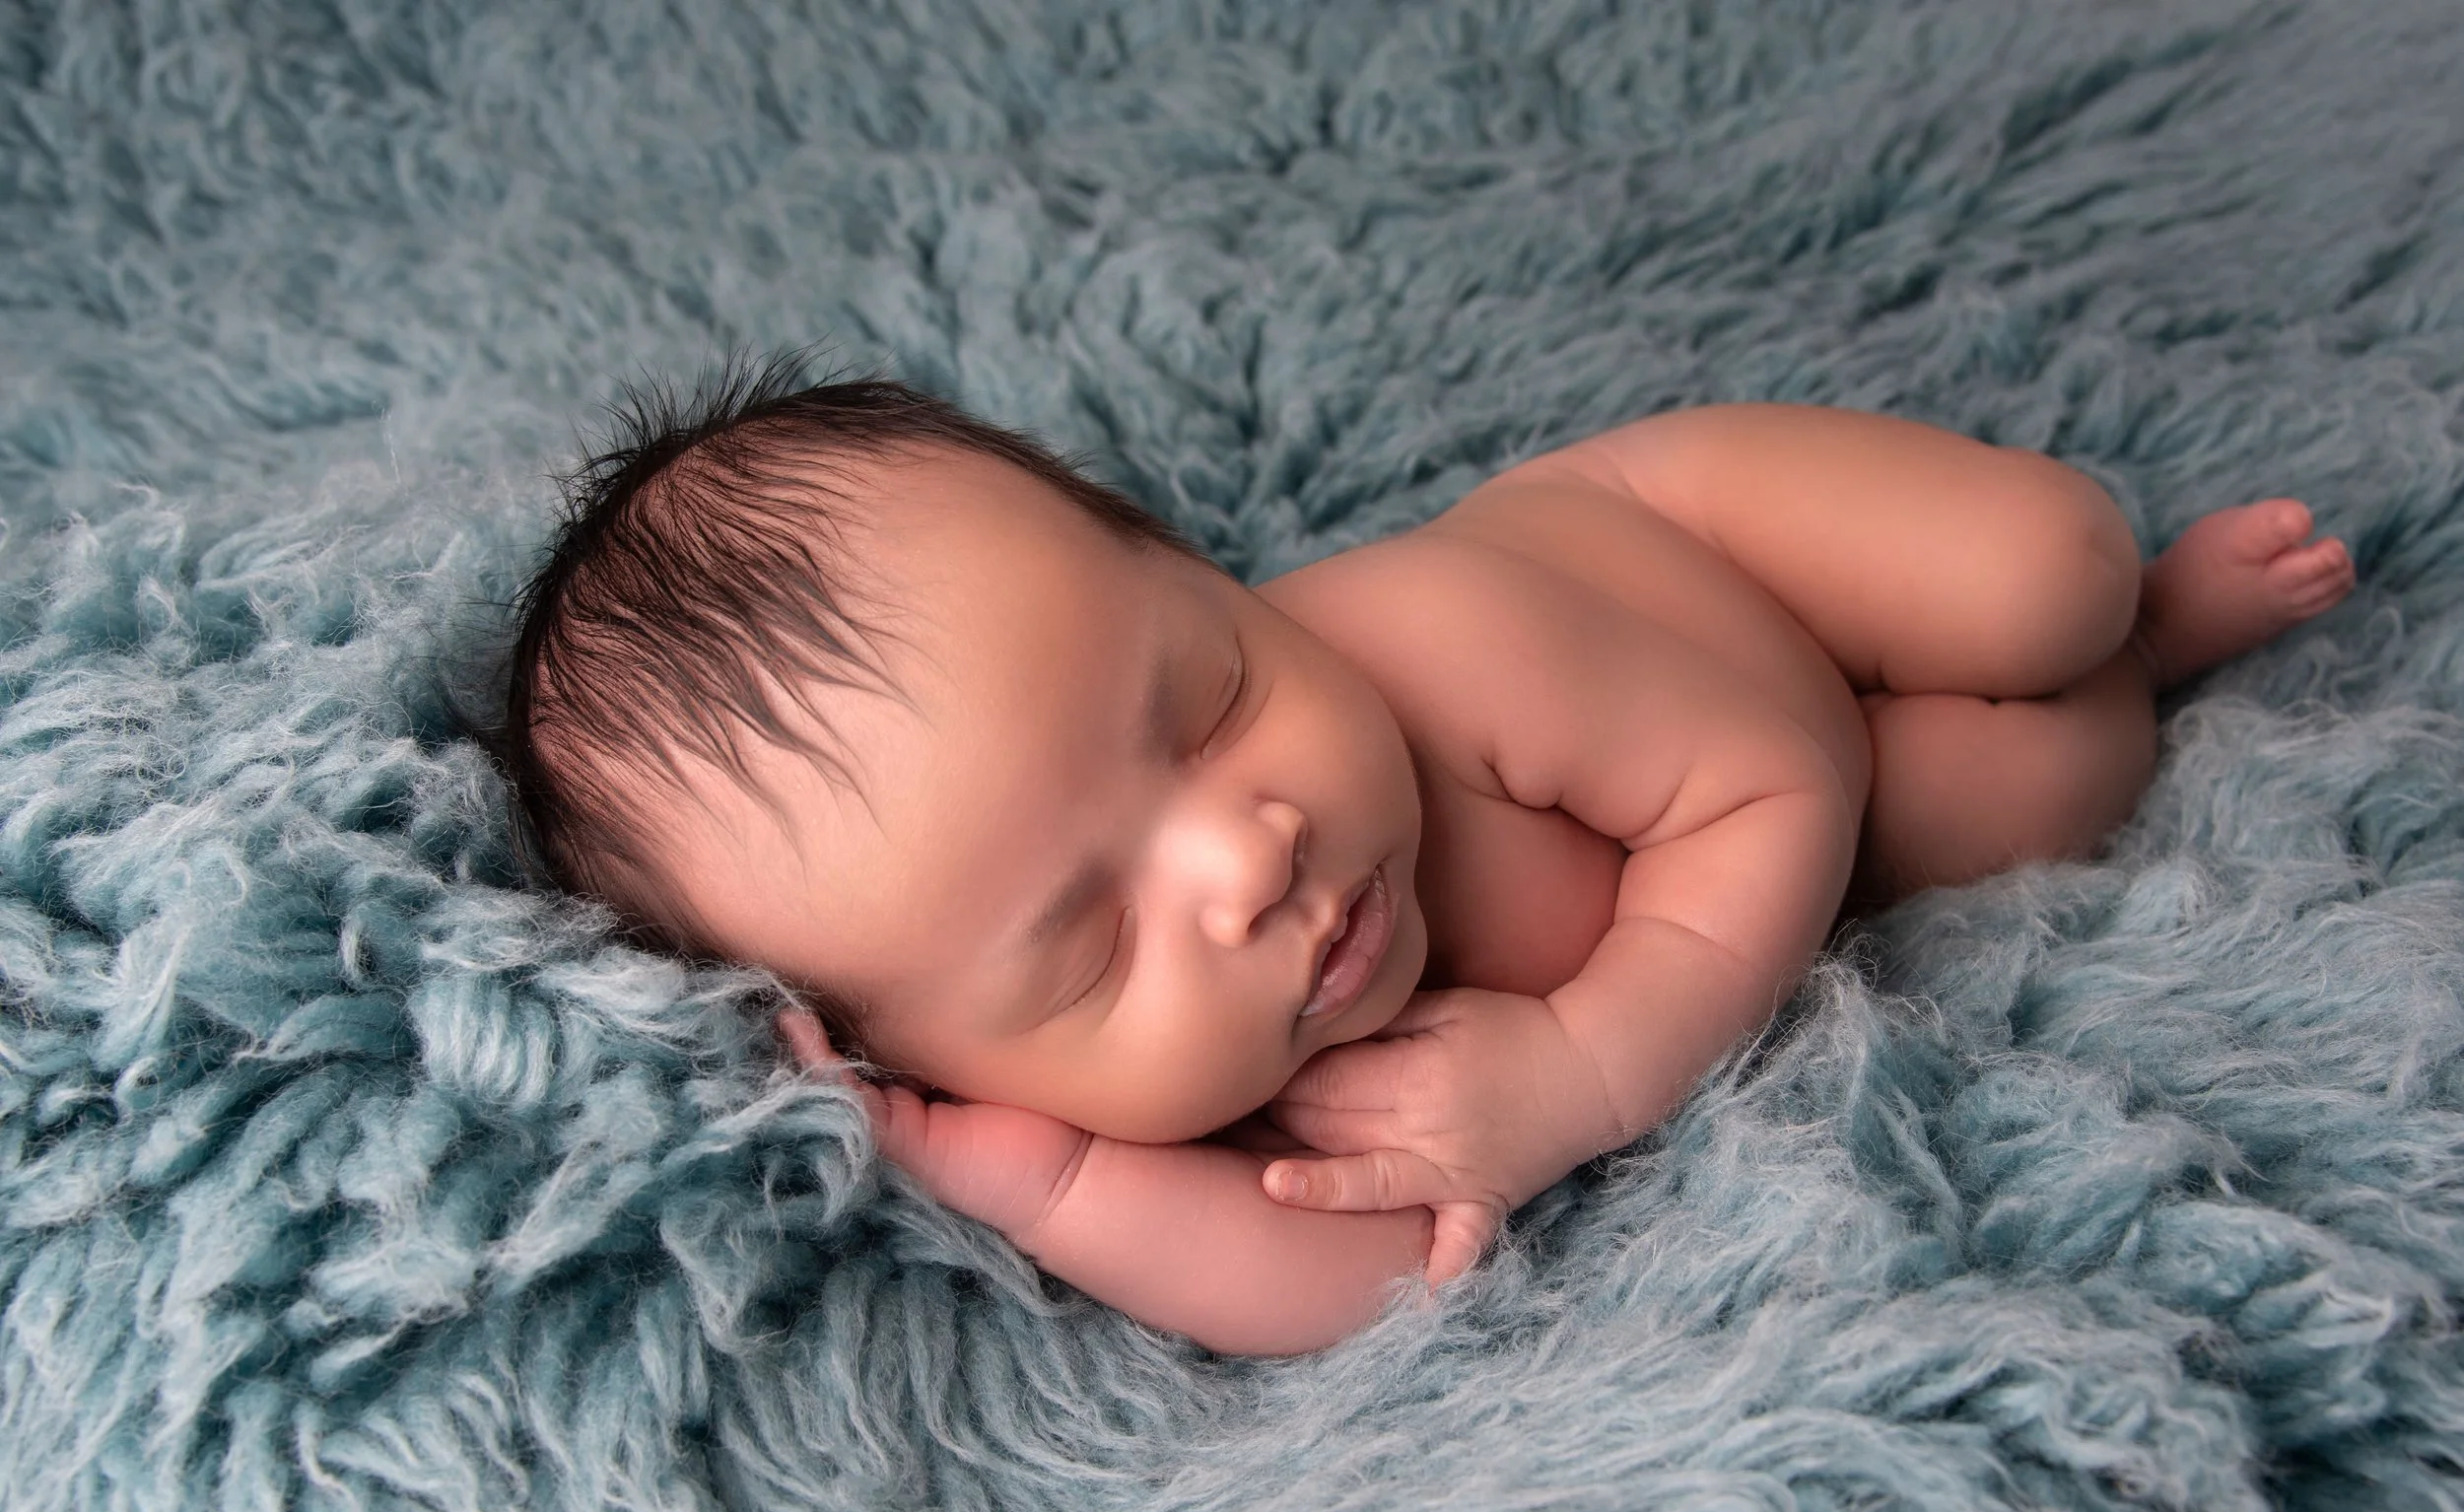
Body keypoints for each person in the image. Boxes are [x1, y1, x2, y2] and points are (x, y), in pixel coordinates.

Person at [502, 360, 2355, 1354]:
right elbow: (1355, 1285)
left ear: (1193, 566)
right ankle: (2155, 666)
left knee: (2043, 580)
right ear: (951, 1051)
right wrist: (1030, 1180)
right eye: (1086, 946)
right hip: (1829, 833)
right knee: (2041, 787)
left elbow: (1772, 781)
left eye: (1209, 699)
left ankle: (2134, 598)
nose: (1245, 854)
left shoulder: (1445, 643)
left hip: (1715, 581)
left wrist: (1584, 1065)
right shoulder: (1180, 1093)